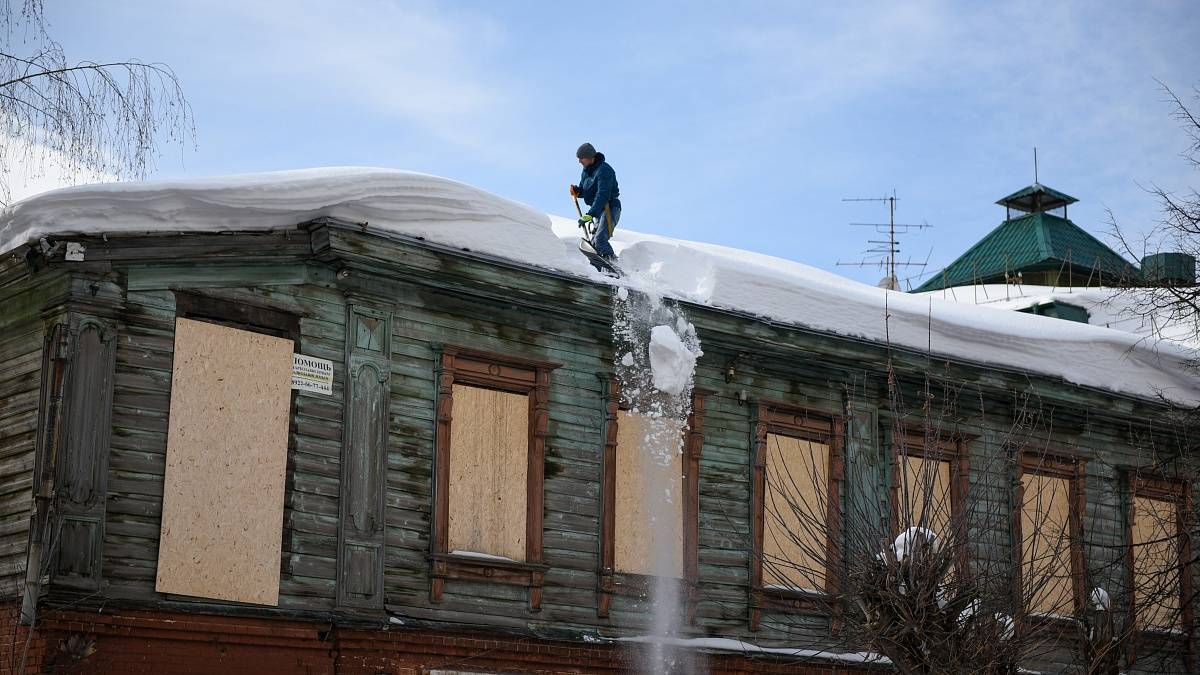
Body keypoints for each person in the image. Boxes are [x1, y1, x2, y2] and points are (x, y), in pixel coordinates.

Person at [570, 142, 621, 261]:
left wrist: (591, 214)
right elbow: (585, 191)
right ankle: (600, 269)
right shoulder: (586, 171)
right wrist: (577, 191)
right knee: (594, 245)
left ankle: (614, 265)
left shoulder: (604, 170)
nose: (579, 162)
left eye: (581, 159)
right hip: (598, 210)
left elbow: (603, 195)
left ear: (590, 157)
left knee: (600, 240)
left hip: (610, 208)